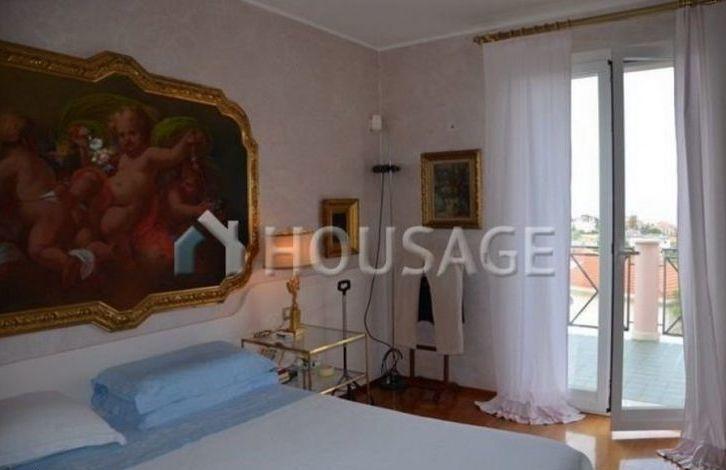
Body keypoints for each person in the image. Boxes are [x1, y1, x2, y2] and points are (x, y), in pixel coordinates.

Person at [94, 106, 206, 261]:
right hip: (110, 205)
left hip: (133, 209)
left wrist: (185, 141)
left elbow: (173, 156)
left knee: (122, 235)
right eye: (122, 135)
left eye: (132, 133)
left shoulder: (149, 154)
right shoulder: (122, 158)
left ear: (143, 133)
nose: (127, 139)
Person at [0, 110, 81, 285]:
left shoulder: (13, 162)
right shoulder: (40, 161)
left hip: (44, 213)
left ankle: (66, 262)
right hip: (59, 209)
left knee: (38, 249)